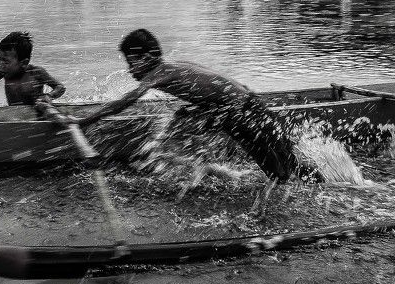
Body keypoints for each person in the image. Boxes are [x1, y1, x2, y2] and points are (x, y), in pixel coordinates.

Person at [65, 29, 312, 182]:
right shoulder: (175, 66)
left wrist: (87, 119)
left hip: (239, 111)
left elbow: (127, 100)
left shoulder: (157, 73)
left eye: (132, 63)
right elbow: (217, 86)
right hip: (247, 104)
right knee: (284, 163)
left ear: (148, 57)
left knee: (279, 172)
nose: (130, 70)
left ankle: (309, 196)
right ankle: (321, 183)